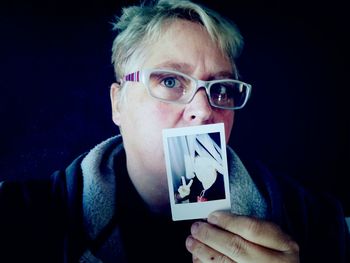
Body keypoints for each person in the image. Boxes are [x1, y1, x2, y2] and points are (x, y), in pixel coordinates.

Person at [0, 0, 349, 262]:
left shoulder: (314, 221)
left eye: (221, 88)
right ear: (118, 103)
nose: (203, 110)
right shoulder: (21, 218)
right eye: (170, 80)